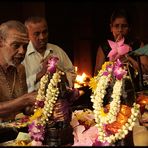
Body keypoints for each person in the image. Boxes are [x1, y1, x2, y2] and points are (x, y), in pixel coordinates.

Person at [0, 20, 36, 142]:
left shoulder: (20, 68)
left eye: (25, 46)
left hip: (15, 135)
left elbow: (24, 108)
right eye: (16, 45)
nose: (22, 51)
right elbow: (23, 101)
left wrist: (40, 104)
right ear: (0, 42)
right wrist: (26, 99)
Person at [22, 16, 76, 93]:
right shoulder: (21, 54)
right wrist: (40, 74)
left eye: (45, 32)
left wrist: (60, 74)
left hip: (58, 101)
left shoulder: (57, 50)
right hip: (31, 103)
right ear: (27, 35)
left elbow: (72, 73)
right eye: (37, 34)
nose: (42, 37)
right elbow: (18, 88)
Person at [94, 8, 148, 82]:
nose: (120, 30)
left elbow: (146, 71)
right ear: (111, 28)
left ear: (129, 28)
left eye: (124, 26)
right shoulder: (104, 47)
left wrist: (128, 58)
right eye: (116, 26)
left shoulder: (138, 45)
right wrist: (112, 64)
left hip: (135, 89)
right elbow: (96, 75)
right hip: (111, 89)